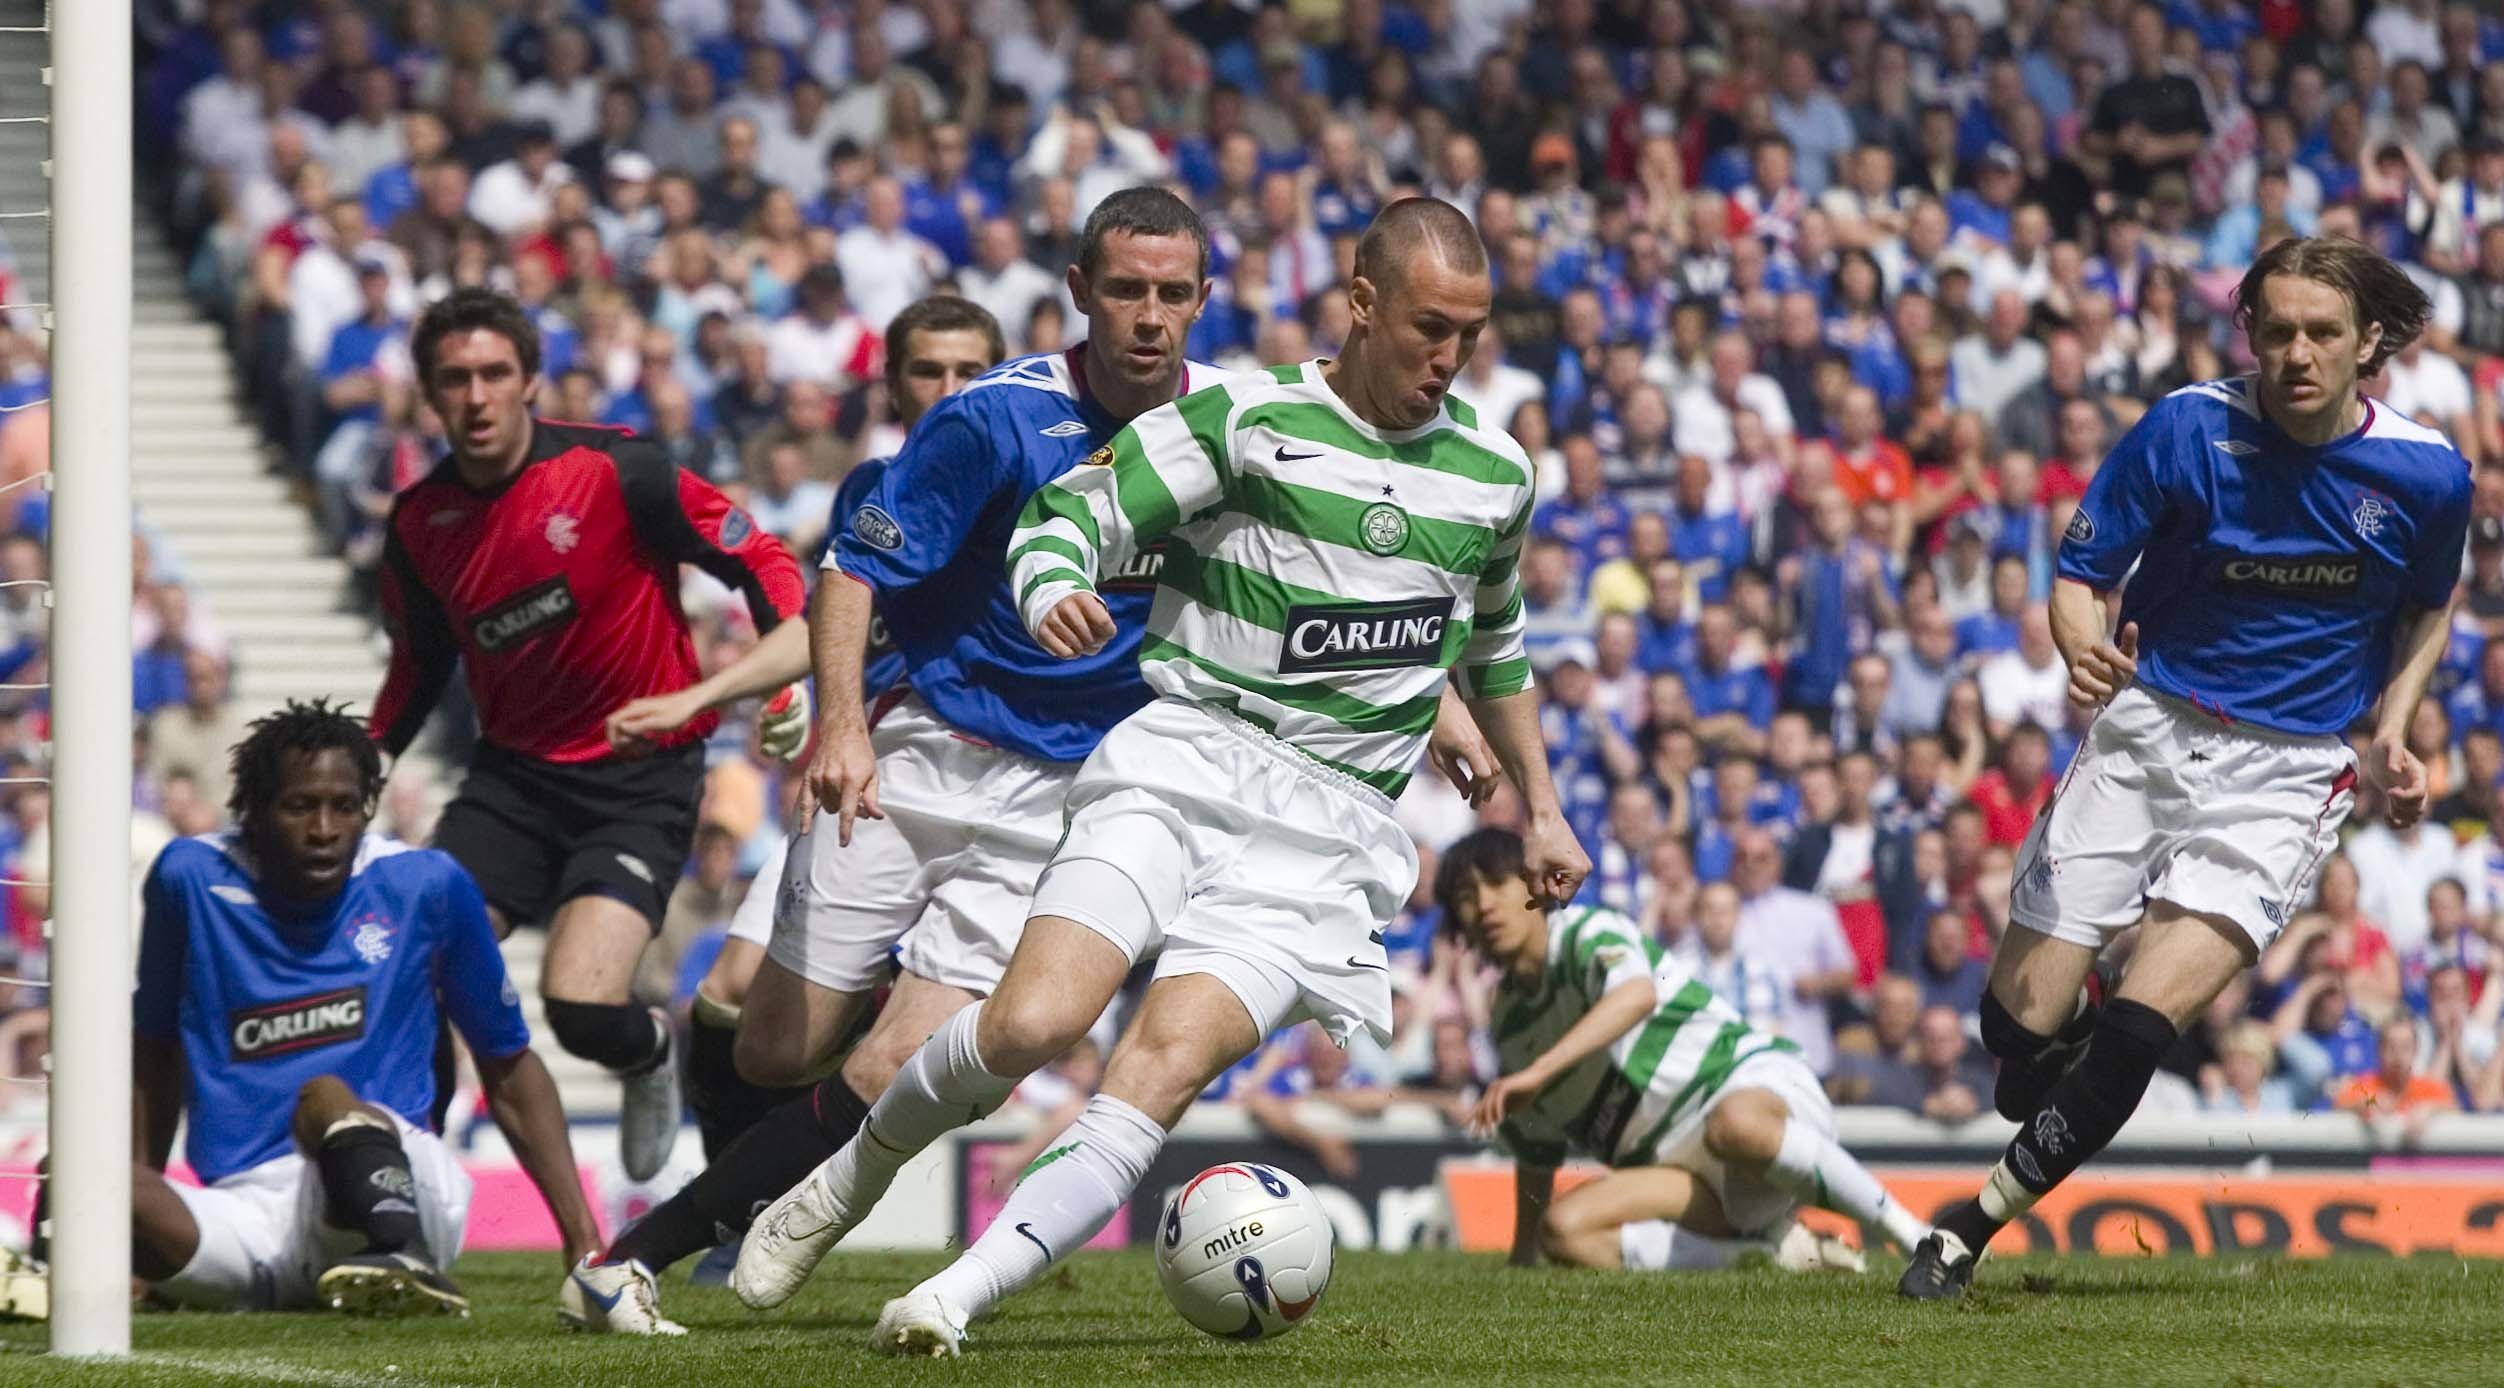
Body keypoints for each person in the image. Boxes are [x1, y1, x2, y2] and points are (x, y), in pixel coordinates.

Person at [571, 192, 1494, 1331]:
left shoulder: (1242, 421)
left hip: (1073, 785)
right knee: (775, 1043)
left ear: (1204, 302)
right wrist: (845, 724)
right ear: (1078, 292)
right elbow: (854, 567)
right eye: (1125, 290)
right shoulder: (995, 419)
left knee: (935, 1049)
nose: (1149, 317)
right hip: (923, 752)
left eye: (1172, 294)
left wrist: (1443, 705)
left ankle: (643, 1252)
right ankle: (711, 1065)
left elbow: (1339, 587)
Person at [1900, 236, 2472, 1298]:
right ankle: (2046, 1032)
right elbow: (2078, 571)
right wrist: (2079, 643)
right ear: (2246, 329)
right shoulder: (2184, 427)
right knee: (2012, 1026)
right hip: (2148, 724)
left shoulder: (2425, 472)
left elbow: (2429, 600)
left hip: (2289, 770)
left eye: (2320, 332)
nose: (2294, 352)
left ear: (2368, 346)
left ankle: (1966, 1226)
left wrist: (2393, 726)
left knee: (2139, 1026)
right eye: (2275, 328)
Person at [561, 296, 1005, 1326]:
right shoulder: (875, 494)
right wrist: (730, 695)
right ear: (890, 386)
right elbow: (824, 626)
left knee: (870, 1050)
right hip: (873, 782)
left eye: (967, 370)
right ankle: (736, 1183)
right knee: (748, 1026)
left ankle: (692, 1233)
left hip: (983, 796)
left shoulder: (1045, 480)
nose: (947, 392)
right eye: (926, 372)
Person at [368, 288, 810, 1184]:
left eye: (496, 374)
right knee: (414, 970)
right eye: (455, 380)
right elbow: (418, 666)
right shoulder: (420, 525)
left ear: (531, 381)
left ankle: (649, 1053)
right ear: (430, 396)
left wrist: (780, 674)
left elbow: (758, 555)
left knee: (577, 1006)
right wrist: (370, 758)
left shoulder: (618, 472)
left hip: (640, 780)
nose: (479, 396)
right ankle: (408, 1183)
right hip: (512, 782)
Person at [126, 702, 597, 1316]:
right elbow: (155, 1051)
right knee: (82, 1181)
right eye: (300, 807)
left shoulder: (424, 884)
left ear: (367, 808)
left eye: (345, 807)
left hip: (402, 1180)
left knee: (323, 1097)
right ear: (254, 810)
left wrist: (583, 1240)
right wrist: (133, 1231)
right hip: (249, 1213)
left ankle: (399, 1255)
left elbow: (506, 1063)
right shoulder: (188, 880)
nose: (324, 829)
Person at [1439, 830, 1932, 1273]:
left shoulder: (1585, 932)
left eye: (1498, 883)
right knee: (1565, 1232)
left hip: (1746, 1089)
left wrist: (1540, 1070)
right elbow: (1537, 1152)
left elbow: (1636, 996)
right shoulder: (1507, 1023)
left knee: (1733, 1126)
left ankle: (1919, 1240)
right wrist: (1523, 1260)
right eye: (1466, 895)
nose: (1484, 905)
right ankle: (1771, 1256)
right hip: (1680, 1172)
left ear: (1531, 885)